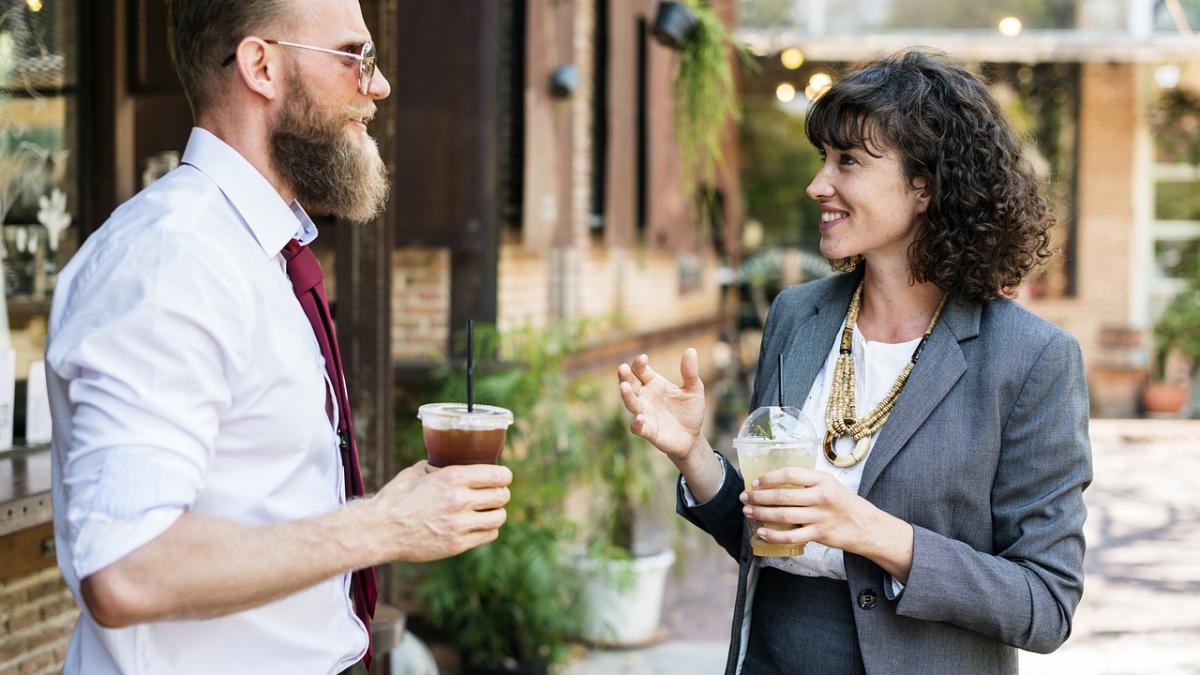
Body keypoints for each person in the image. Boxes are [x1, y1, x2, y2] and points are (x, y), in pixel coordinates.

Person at [45, 1, 512, 673]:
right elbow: (127, 569)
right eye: (357, 57)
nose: (377, 87)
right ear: (261, 66)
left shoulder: (253, 251)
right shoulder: (170, 261)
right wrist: (386, 523)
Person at [617, 49, 1092, 674]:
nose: (819, 184)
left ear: (926, 185)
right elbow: (769, 539)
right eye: (823, 160)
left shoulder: (1033, 359)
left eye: (849, 162)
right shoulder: (796, 315)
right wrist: (692, 453)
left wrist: (871, 531)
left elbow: (1046, 604)